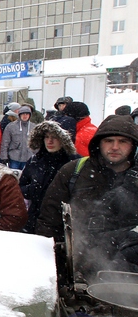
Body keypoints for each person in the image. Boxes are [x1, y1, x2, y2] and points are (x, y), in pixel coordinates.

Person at [36, 116, 138, 276]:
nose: (115, 147)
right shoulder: (74, 171)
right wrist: (55, 268)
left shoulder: (135, 178)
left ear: (133, 145)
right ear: (98, 143)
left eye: (123, 141)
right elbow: (49, 222)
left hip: (127, 278)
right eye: (109, 140)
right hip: (75, 272)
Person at [19, 121, 79, 234]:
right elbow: (21, 186)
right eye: (46, 137)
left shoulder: (72, 163)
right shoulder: (35, 161)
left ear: (63, 140)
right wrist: (32, 190)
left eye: (54, 137)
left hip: (62, 222)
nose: (49, 141)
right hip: (34, 219)